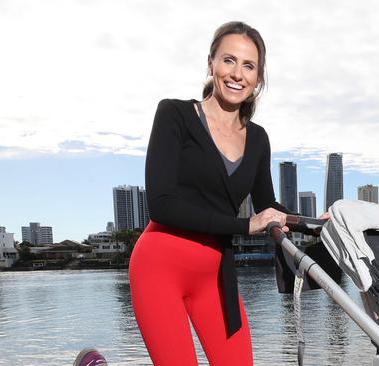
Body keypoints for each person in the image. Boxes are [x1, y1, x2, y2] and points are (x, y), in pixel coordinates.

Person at [128, 21, 290, 366]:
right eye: (228, 60)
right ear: (211, 64)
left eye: (249, 66)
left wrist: (315, 222)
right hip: (159, 267)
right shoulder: (175, 114)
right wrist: (245, 225)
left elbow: (268, 207)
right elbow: (161, 206)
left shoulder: (258, 139)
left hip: (215, 275)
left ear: (258, 78)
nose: (237, 74)